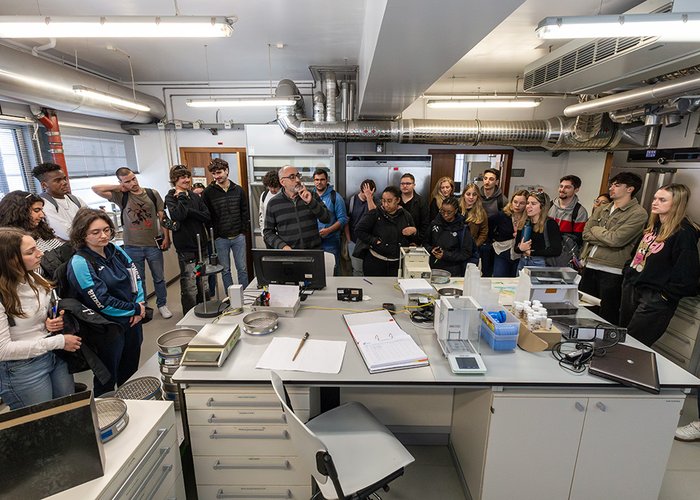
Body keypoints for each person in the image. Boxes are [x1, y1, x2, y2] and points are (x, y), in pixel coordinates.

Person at [0, 227, 81, 410]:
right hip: (23, 368)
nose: (40, 254)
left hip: (54, 355)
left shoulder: (34, 277)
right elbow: (3, 350)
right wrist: (59, 341)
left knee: (69, 411)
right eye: (31, 252)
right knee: (44, 424)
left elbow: (50, 302)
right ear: (9, 260)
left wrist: (51, 319)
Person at [66, 208, 144, 396]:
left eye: (107, 230)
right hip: (107, 328)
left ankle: (132, 406)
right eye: (96, 232)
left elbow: (135, 277)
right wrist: (134, 309)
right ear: (82, 234)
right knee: (107, 378)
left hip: (132, 320)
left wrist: (140, 307)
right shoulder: (80, 262)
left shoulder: (115, 250)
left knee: (130, 371)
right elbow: (101, 302)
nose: (104, 235)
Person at [619, 184, 699, 346]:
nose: (655, 202)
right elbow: (636, 254)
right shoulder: (653, 227)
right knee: (622, 338)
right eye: (655, 198)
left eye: (662, 200)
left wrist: (665, 296)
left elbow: (687, 273)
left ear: (676, 203)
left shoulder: (684, 233)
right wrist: (628, 272)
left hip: (655, 298)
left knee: (634, 345)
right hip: (633, 287)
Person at [92, 167, 173, 319]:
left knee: (159, 277)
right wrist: (119, 187)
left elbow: (162, 217)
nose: (132, 183)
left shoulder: (152, 193)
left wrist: (166, 237)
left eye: (133, 179)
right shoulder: (120, 196)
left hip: (153, 244)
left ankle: (162, 304)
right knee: (138, 280)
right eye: (127, 181)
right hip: (132, 246)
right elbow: (95, 189)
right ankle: (143, 307)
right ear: (121, 183)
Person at [580, 172, 647, 325]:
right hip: (589, 265)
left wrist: (596, 230)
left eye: (617, 185)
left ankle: (603, 348)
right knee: (584, 310)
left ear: (630, 189)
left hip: (612, 271)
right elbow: (585, 234)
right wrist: (606, 236)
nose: (611, 188)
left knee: (606, 315)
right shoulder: (602, 208)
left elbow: (616, 240)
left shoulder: (638, 213)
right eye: (611, 184)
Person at [164, 165, 212, 315]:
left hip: (201, 245)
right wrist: (183, 199)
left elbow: (206, 216)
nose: (186, 180)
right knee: (190, 284)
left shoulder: (194, 195)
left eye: (187, 176)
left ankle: (205, 309)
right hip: (186, 248)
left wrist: (190, 211)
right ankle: (190, 315)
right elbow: (178, 215)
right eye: (182, 177)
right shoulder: (171, 197)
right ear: (174, 180)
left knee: (203, 280)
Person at [201, 158, 250, 290]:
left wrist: (243, 230)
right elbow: (207, 216)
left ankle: (245, 297)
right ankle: (231, 298)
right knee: (225, 270)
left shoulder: (238, 190)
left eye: (219, 172)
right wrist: (214, 234)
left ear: (227, 171)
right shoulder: (208, 193)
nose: (217, 176)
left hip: (238, 236)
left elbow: (245, 212)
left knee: (242, 269)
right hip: (220, 238)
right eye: (214, 174)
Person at [355, 186, 418, 276]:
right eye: (383, 200)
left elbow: (414, 238)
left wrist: (414, 231)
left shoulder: (406, 215)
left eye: (389, 201)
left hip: (397, 263)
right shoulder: (375, 213)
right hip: (375, 262)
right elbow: (359, 230)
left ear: (397, 200)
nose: (385, 204)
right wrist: (374, 240)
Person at [263, 165, 330, 250]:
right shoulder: (273, 203)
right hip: (290, 255)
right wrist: (282, 246)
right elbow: (268, 232)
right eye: (292, 177)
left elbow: (327, 218)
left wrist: (311, 202)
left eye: (298, 176)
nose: (298, 180)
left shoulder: (311, 195)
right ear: (283, 182)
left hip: (314, 252)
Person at [31, 162, 87, 241]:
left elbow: (93, 222)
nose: (64, 183)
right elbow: (68, 234)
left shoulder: (76, 200)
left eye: (64, 179)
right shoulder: (44, 206)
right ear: (44, 185)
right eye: (58, 180)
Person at [0, 191, 64, 253]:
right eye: (36, 210)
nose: (42, 215)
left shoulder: (41, 230)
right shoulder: (10, 241)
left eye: (41, 210)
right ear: (20, 212)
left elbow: (61, 251)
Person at [425, 196, 473, 277]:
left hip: (453, 270)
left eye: (449, 212)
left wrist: (445, 255)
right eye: (442, 211)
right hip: (433, 267)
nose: (445, 215)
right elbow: (425, 243)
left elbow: (466, 253)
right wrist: (431, 249)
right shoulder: (434, 223)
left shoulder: (462, 228)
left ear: (456, 211)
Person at [514, 191, 562, 271]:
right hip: (523, 261)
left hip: (540, 263)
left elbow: (556, 250)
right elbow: (516, 248)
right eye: (528, 203)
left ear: (542, 207)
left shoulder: (550, 224)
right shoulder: (524, 222)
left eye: (533, 204)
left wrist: (532, 252)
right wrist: (520, 248)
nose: (528, 206)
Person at [313, 168, 348, 275]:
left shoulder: (336, 197)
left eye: (322, 179)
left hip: (331, 241)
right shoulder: (309, 196)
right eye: (316, 180)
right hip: (313, 241)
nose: (319, 182)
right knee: (315, 269)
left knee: (333, 269)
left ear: (327, 180)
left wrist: (328, 230)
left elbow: (343, 219)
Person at [548, 175, 589, 266]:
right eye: (561, 186)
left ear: (576, 190)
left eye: (567, 187)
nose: (562, 189)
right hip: (546, 251)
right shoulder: (549, 206)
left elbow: (578, 239)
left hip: (564, 255)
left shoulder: (580, 211)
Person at [345, 179, 378, 276]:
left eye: (371, 193)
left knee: (369, 270)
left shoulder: (374, 201)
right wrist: (349, 240)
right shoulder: (352, 201)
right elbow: (346, 222)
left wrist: (369, 198)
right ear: (361, 190)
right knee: (357, 270)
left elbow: (375, 215)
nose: (368, 195)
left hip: (370, 243)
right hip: (354, 242)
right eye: (366, 193)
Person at [492, 189, 528, 277]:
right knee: (499, 279)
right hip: (502, 251)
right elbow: (488, 227)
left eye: (522, 203)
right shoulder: (502, 215)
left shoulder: (529, 219)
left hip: (520, 254)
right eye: (515, 202)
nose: (517, 205)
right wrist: (493, 240)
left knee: (516, 280)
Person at [478, 168, 507, 277]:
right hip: (475, 237)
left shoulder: (502, 200)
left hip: (491, 241)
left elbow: (505, 220)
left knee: (487, 271)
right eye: (485, 178)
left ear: (497, 182)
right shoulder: (476, 196)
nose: (487, 181)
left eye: (491, 179)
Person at [460, 183, 489, 264]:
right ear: (463, 195)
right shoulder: (456, 209)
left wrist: (475, 245)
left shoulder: (481, 212)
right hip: (455, 250)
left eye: (474, 194)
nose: (471, 197)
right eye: (468, 194)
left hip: (471, 251)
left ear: (478, 197)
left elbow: (484, 233)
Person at [398, 173, 430, 245]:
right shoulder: (395, 199)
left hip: (413, 242)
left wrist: (418, 241)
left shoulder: (422, 202)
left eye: (408, 183)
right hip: (395, 241)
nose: (405, 186)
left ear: (414, 185)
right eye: (402, 183)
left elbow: (425, 225)